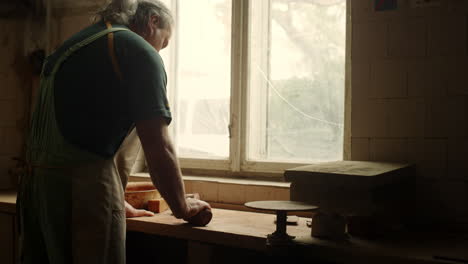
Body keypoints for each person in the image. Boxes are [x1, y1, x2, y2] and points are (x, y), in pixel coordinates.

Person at [17, 0, 211, 263]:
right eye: (163, 43)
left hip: (36, 193)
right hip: (85, 198)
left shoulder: (71, 46)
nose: (159, 52)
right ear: (153, 21)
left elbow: (82, 130)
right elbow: (158, 146)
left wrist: (117, 200)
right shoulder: (139, 51)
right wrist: (183, 207)